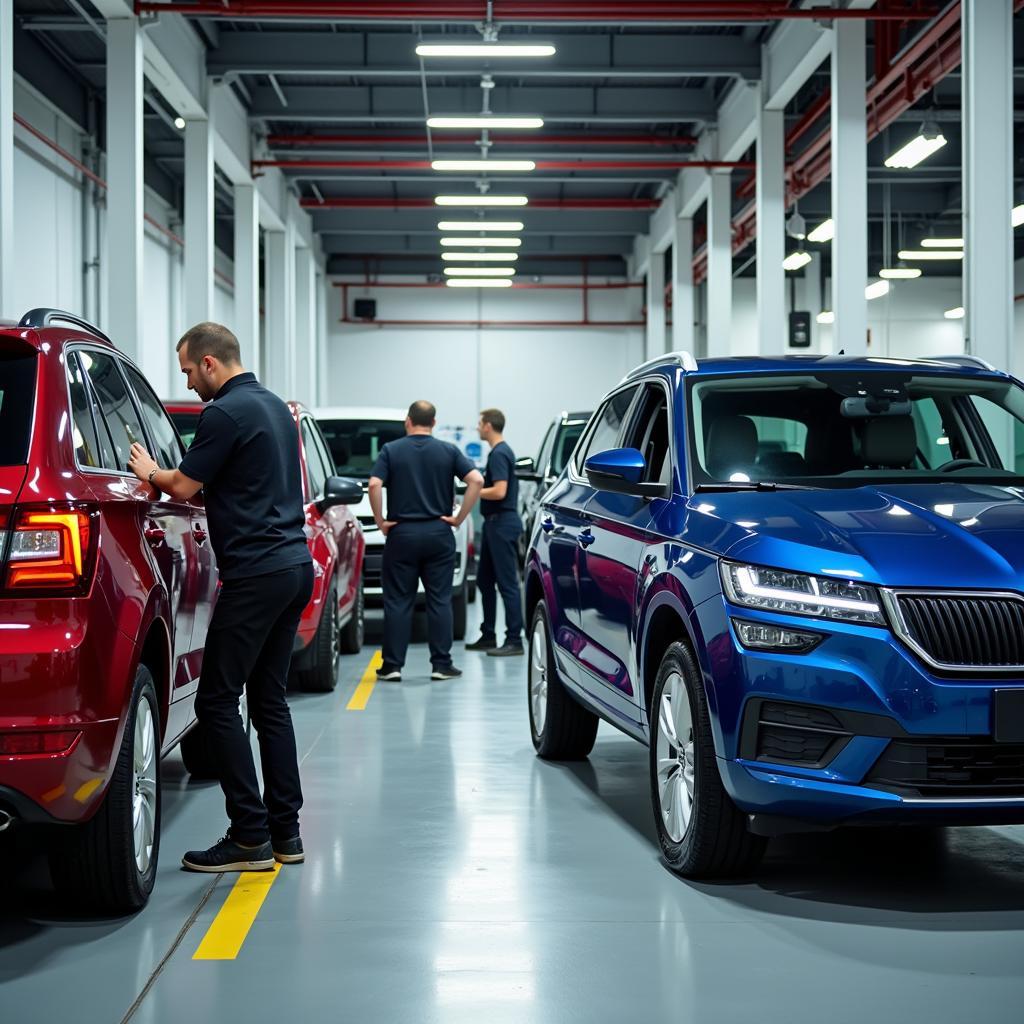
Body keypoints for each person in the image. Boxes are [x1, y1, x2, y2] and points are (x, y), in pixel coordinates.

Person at [127, 322, 311, 874]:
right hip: (292, 565)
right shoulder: (275, 407)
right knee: (270, 702)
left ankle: (248, 836)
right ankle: (286, 833)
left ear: (210, 363)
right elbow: (240, 481)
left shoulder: (222, 413)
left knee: (215, 701)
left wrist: (149, 471)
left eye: (187, 370)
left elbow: (181, 486)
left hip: (255, 573)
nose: (189, 383)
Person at [368, 401, 483, 682]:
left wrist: (381, 521)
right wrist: (457, 518)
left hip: (402, 534)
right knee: (439, 599)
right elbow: (476, 481)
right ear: (433, 423)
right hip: (438, 534)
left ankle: (392, 666)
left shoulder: (391, 451)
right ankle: (441, 665)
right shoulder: (447, 451)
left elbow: (374, 484)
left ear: (408, 421)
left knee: (397, 601)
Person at [465, 408, 524, 657]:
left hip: (502, 524)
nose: (478, 427)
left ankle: (514, 640)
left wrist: (472, 490)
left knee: (507, 583)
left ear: (488, 425)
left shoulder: (500, 453)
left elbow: (499, 491)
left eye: (479, 423)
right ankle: (488, 635)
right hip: (494, 524)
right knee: (484, 581)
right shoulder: (500, 452)